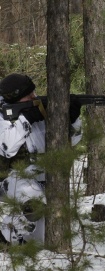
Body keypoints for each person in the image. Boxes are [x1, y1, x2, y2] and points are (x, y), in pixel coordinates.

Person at [0, 73, 82, 245]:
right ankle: (4, 232)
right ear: (14, 97)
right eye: (27, 96)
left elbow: (71, 142)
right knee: (34, 202)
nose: (33, 96)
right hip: (12, 179)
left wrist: (72, 120)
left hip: (45, 178)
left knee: (40, 241)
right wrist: (26, 118)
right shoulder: (4, 116)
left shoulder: (39, 109)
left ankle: (11, 238)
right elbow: (7, 146)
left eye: (33, 92)